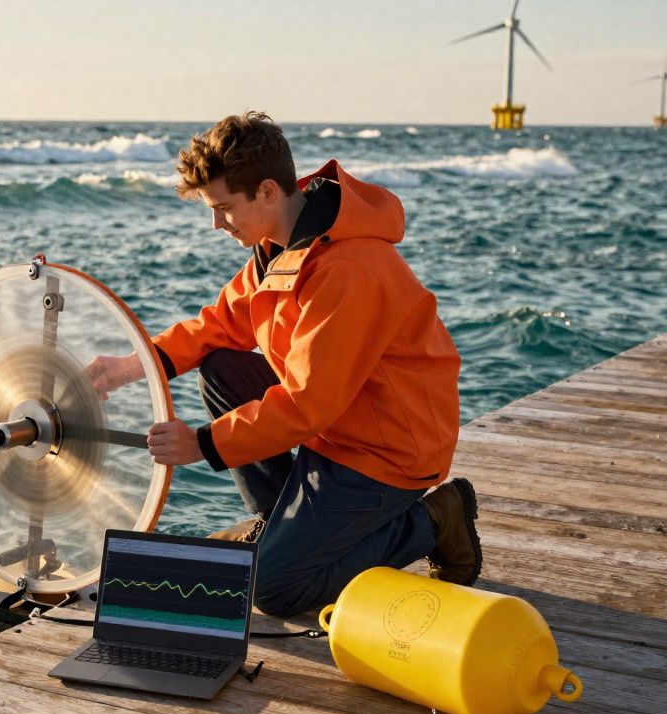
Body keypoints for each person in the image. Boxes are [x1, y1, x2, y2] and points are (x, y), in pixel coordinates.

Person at [87, 112, 480, 618]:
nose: (216, 224)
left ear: (267, 191)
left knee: (272, 590)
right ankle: (276, 521)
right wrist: (133, 364)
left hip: (389, 450)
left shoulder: (348, 270)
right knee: (221, 366)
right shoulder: (277, 246)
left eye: (225, 208)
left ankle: (432, 520)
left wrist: (203, 444)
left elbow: (307, 404)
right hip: (338, 426)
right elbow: (218, 326)